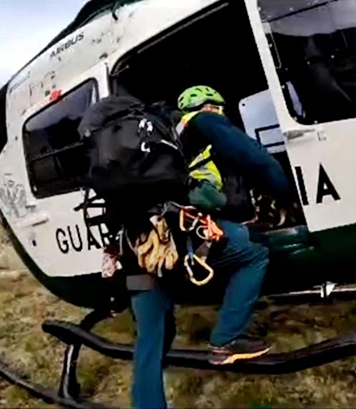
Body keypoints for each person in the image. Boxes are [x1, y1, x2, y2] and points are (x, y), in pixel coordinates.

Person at [129, 85, 294, 409]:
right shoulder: (204, 122)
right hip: (179, 243)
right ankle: (226, 340)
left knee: (150, 337)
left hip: (137, 255)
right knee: (255, 253)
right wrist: (288, 192)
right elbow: (256, 160)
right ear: (214, 106)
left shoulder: (147, 145)